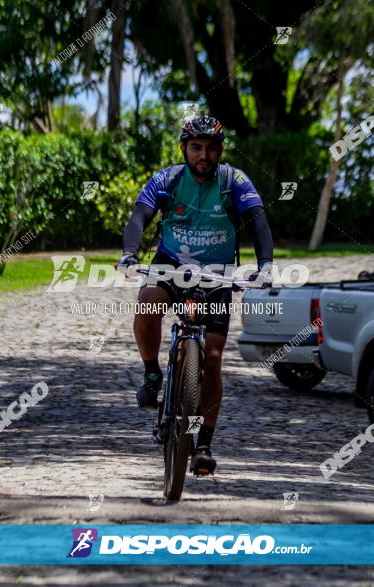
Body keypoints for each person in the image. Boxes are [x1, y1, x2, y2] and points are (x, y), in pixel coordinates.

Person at [117, 115, 274, 475]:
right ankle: (153, 373)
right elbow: (140, 216)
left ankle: (203, 443)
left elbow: (259, 222)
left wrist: (265, 265)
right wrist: (129, 253)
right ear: (185, 149)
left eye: (211, 148)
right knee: (148, 301)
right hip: (171, 263)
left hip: (216, 274)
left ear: (220, 150)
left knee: (215, 356)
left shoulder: (234, 181)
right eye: (196, 147)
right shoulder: (167, 179)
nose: (204, 154)